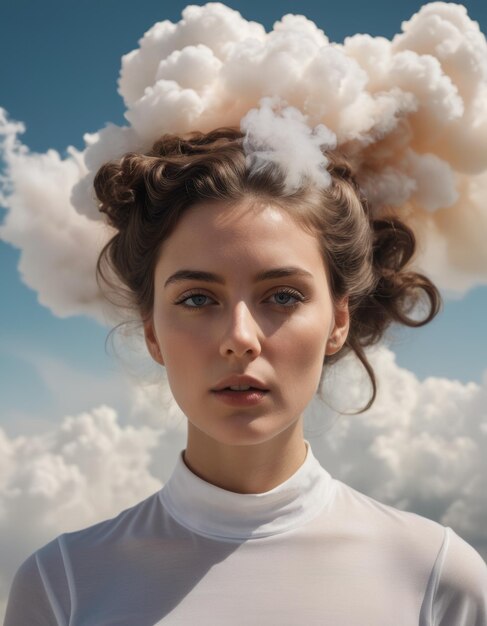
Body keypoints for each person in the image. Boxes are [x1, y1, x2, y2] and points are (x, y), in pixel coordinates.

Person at [5, 127, 487, 625]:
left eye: (282, 295)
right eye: (197, 298)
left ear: (338, 321)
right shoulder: (61, 586)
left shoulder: (437, 578)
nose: (240, 338)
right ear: (152, 333)